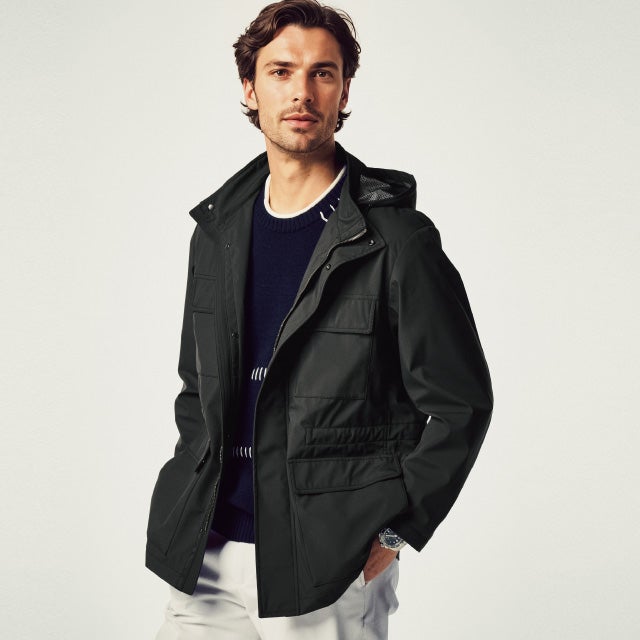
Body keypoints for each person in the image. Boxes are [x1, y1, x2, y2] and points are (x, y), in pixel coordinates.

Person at [146, 1, 493, 638]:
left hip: (325, 564)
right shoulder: (217, 231)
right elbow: (197, 387)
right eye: (281, 71)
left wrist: (397, 530)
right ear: (250, 88)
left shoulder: (396, 240)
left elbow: (460, 403)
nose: (301, 92)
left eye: (322, 73)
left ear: (344, 91)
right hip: (205, 553)